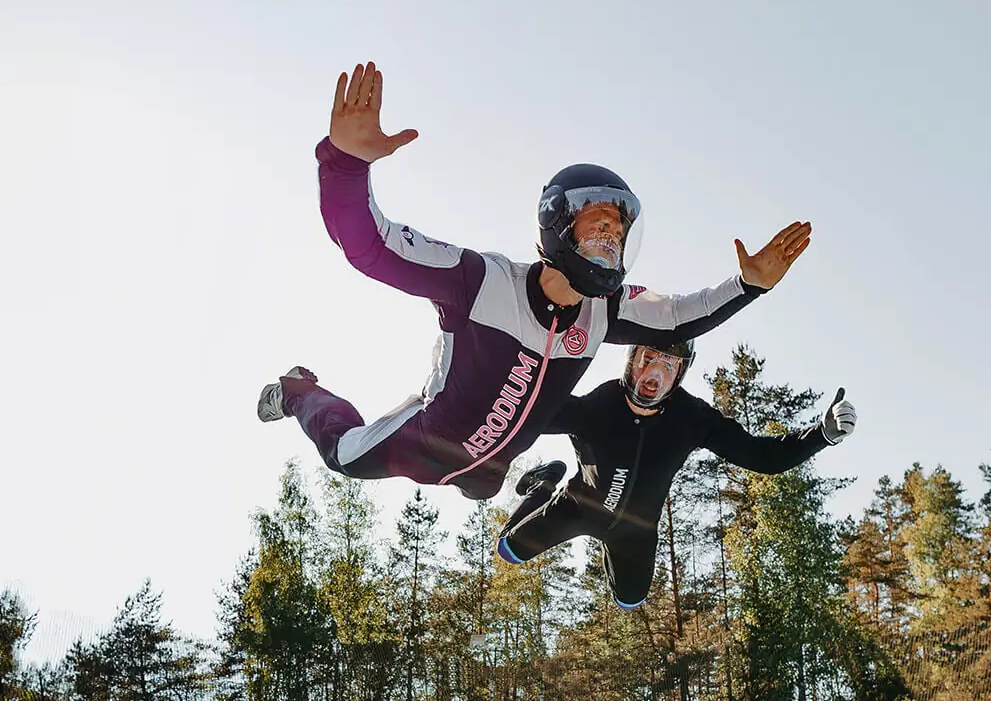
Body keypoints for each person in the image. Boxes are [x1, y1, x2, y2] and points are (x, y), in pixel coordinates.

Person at [257, 60, 814, 500]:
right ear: (554, 225)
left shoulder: (605, 312)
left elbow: (677, 316)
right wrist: (347, 165)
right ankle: (302, 391)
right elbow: (369, 246)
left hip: (488, 469)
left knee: (482, 488)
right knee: (344, 457)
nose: (609, 241)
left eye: (617, 233)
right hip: (427, 441)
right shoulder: (480, 280)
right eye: (597, 225)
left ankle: (521, 489)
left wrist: (748, 285)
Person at [496, 339, 857, 609]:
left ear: (681, 374)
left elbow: (763, 457)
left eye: (669, 366)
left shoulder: (692, 419)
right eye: (648, 359)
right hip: (577, 509)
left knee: (630, 602)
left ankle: (558, 496)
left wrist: (820, 435)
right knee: (507, 551)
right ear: (630, 361)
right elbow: (524, 414)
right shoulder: (597, 407)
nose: (655, 374)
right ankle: (543, 484)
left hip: (634, 532)